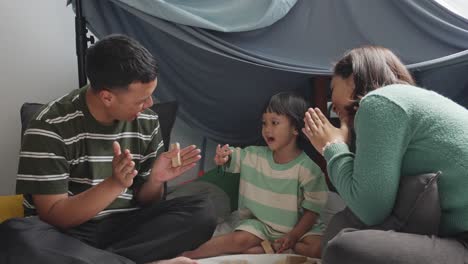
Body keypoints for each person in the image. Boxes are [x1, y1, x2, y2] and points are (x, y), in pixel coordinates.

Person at [0, 34, 216, 264]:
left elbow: (147, 203)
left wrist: (155, 180)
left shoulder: (147, 121)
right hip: (65, 235)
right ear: (107, 97)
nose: (150, 104)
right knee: (16, 235)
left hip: (124, 227)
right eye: (141, 99)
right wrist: (114, 184)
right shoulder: (49, 126)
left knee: (202, 212)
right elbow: (54, 216)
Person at [303, 45, 468, 263]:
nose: (332, 104)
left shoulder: (380, 102)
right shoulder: (410, 102)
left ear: (352, 77)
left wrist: (332, 147)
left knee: (343, 247)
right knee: (342, 227)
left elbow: (370, 210)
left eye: (332, 87)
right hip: (456, 234)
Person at [182, 92, 328, 259]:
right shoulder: (253, 155)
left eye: (274, 123)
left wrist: (293, 236)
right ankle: (186, 254)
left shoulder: (309, 169)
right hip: (260, 225)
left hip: (298, 228)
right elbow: (233, 156)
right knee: (238, 240)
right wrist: (224, 157)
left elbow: (312, 211)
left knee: (318, 249)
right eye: (264, 123)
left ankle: (273, 247)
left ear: (295, 128)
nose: (267, 129)